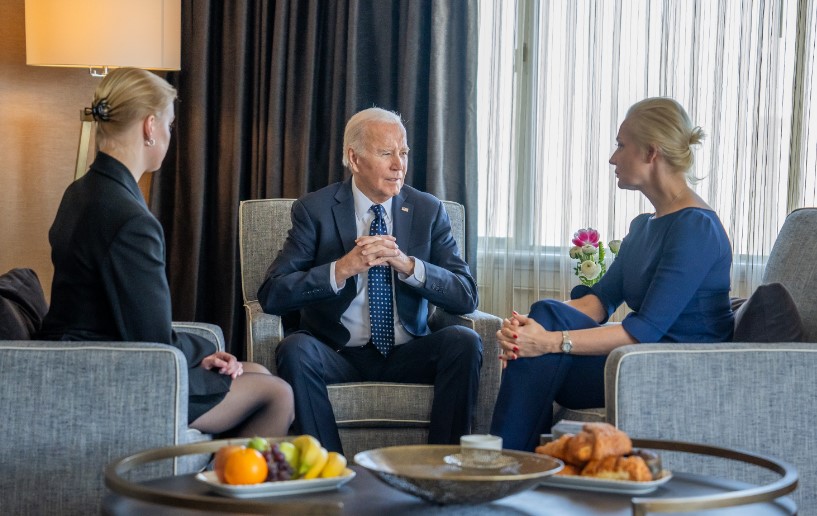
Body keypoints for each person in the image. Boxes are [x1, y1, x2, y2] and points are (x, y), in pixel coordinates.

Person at [39, 67, 294, 438]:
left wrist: (201, 353)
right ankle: (225, 477)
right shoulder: (130, 220)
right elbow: (155, 343)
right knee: (278, 394)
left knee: (257, 372)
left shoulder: (80, 191)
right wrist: (203, 350)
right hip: (112, 378)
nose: (169, 135)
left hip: (86, 361)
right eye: (170, 126)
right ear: (149, 126)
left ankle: (221, 472)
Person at [490, 97, 734, 451]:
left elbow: (643, 332)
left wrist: (549, 340)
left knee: (543, 344)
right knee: (544, 314)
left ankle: (507, 463)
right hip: (638, 360)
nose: (612, 158)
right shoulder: (644, 226)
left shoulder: (696, 228)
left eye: (621, 145)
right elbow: (598, 302)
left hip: (678, 369)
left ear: (651, 152)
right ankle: (515, 463)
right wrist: (530, 329)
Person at [257, 107, 482, 454]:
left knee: (464, 341)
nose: (399, 165)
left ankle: (442, 466)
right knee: (295, 349)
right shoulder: (315, 210)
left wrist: (409, 266)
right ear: (354, 158)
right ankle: (328, 468)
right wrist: (342, 268)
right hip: (338, 352)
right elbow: (273, 293)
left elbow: (466, 294)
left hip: (409, 351)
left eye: (403, 153)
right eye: (386, 153)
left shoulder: (427, 210)